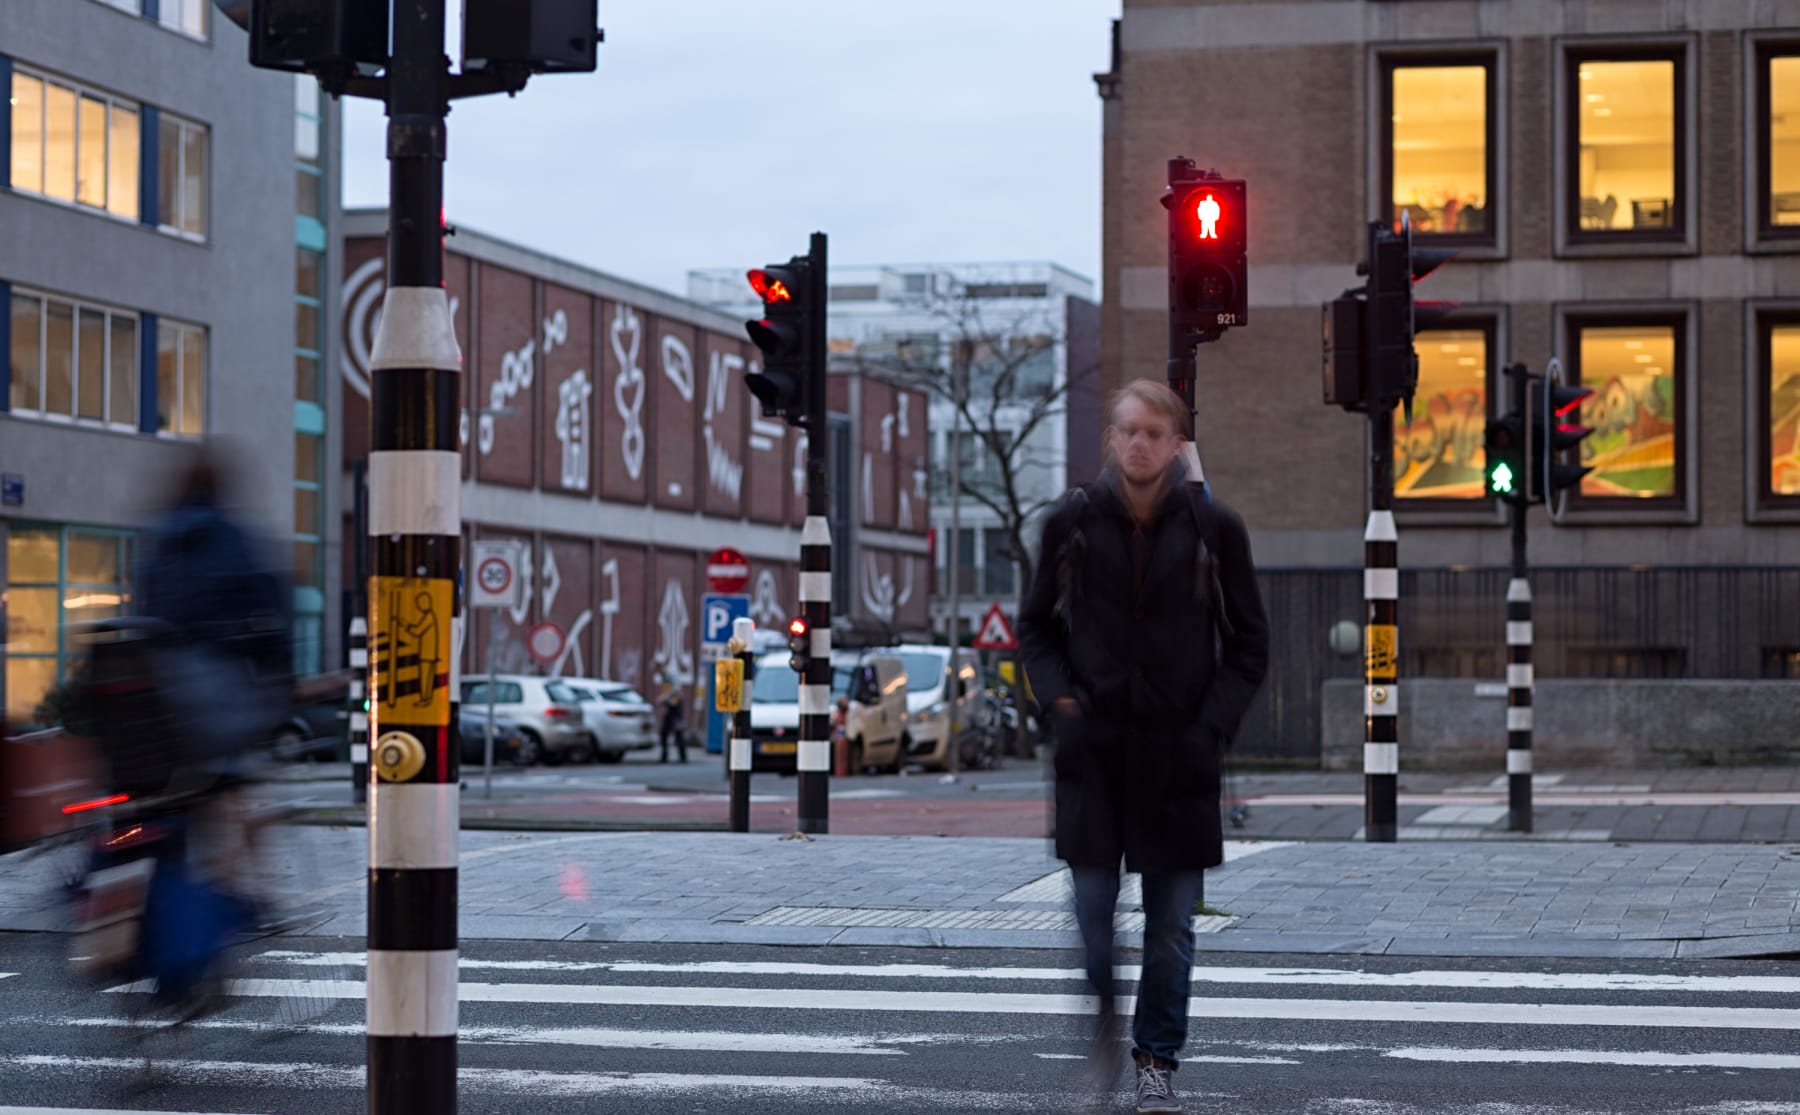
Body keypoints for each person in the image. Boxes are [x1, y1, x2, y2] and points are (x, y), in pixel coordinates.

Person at [1018, 378, 1269, 1113]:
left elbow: (1250, 643)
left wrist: (1211, 725)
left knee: (1169, 930)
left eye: (1154, 432)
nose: (1139, 443)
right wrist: (1062, 704)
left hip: (1178, 758)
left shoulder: (1214, 530)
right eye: (1127, 429)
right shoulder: (1070, 524)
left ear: (1174, 442)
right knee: (1095, 923)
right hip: (1092, 755)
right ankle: (1102, 1012)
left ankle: (1156, 1057)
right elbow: (1036, 630)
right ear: (1112, 438)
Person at [655, 668, 688, 764]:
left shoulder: (670, 675)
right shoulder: (664, 677)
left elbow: (676, 689)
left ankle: (682, 757)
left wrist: (663, 698)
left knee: (678, 732)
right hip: (670, 706)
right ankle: (665, 756)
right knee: (664, 732)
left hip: (676, 707)